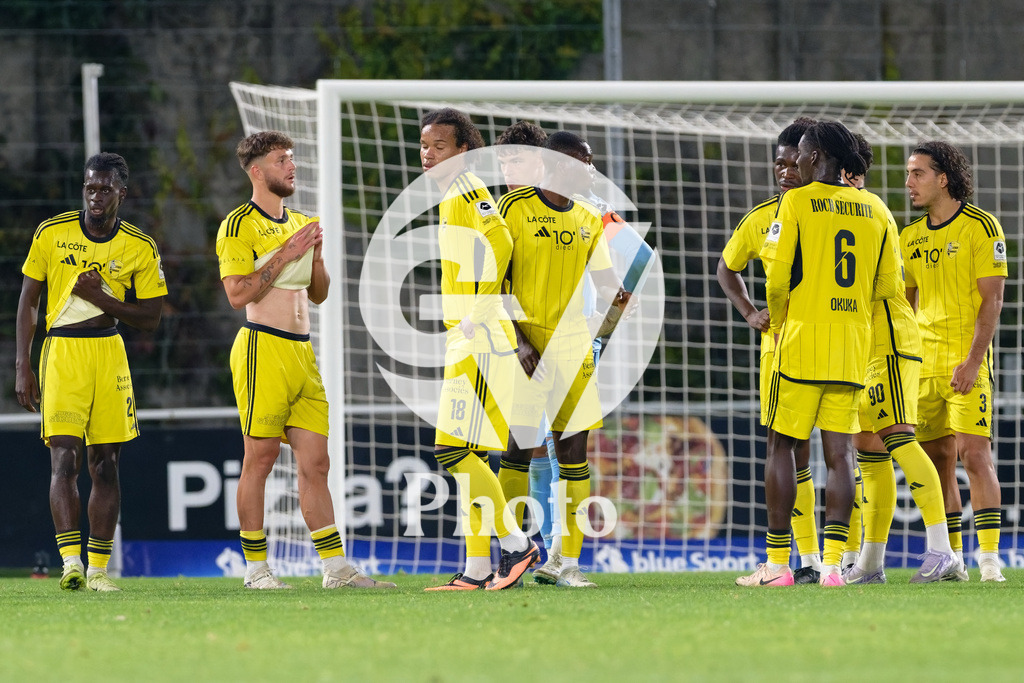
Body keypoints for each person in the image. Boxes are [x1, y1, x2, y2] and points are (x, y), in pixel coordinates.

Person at [216, 131, 394, 590]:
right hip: (262, 348)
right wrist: (287, 254)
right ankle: (256, 570)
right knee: (260, 459)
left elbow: (318, 294)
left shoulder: (298, 220)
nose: (291, 167)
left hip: (301, 351)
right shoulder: (238, 225)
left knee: (317, 463)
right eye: (281, 160)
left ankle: (335, 569)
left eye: (291, 159)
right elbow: (238, 295)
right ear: (257, 172)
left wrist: (314, 258)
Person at [736, 120, 901, 587]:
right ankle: (832, 567)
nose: (798, 161)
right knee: (841, 455)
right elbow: (887, 285)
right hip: (851, 345)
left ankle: (777, 565)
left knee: (782, 446)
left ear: (819, 157)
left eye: (804, 153)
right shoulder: (876, 208)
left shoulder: (797, 202)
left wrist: (780, 315)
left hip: (801, 340)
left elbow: (775, 276)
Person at [15, 153, 166, 592]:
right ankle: (71, 562)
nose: (95, 196)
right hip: (61, 353)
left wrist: (102, 299)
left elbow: (151, 318)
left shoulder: (140, 246)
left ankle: (99, 570)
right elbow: (28, 301)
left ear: (122, 192)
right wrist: (22, 364)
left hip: (108, 353)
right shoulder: (52, 233)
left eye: (104, 189)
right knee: (64, 457)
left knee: (106, 465)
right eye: (89, 187)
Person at [498, 131, 632, 588]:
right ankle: (511, 553)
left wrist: (617, 305)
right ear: (556, 163)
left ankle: (564, 562)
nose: (590, 171)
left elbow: (607, 286)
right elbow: (494, 283)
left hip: (572, 349)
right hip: (526, 350)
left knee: (574, 455)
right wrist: (518, 341)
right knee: (516, 451)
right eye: (583, 163)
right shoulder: (513, 208)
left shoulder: (590, 219)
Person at [418, 109, 540, 591]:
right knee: (470, 457)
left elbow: (501, 241)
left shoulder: (467, 188)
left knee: (451, 449)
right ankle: (474, 569)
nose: (428, 155)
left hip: (479, 336)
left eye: (439, 146)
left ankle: (516, 545)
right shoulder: (453, 193)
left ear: (464, 150)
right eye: (424, 146)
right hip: (469, 333)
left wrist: (481, 308)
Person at [837, 136, 958, 584]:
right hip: (865, 344)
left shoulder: (865, 210)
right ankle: (869, 564)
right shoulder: (848, 210)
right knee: (867, 448)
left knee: (899, 438)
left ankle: (944, 551)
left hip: (887, 339)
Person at [717, 117, 825, 584]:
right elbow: (726, 267)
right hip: (780, 350)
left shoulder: (833, 211)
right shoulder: (760, 218)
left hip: (833, 343)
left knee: (843, 450)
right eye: (777, 164)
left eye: (791, 162)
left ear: (810, 161)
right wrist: (748, 311)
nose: (784, 171)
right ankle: (811, 558)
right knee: (792, 450)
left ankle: (836, 560)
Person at [901, 141, 1008, 582]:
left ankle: (990, 561)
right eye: (908, 173)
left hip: (966, 361)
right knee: (937, 461)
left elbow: (993, 300)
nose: (909, 183)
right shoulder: (908, 237)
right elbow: (906, 303)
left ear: (943, 178)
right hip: (923, 366)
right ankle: (953, 558)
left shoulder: (982, 227)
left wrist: (971, 361)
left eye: (918, 173)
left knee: (974, 454)